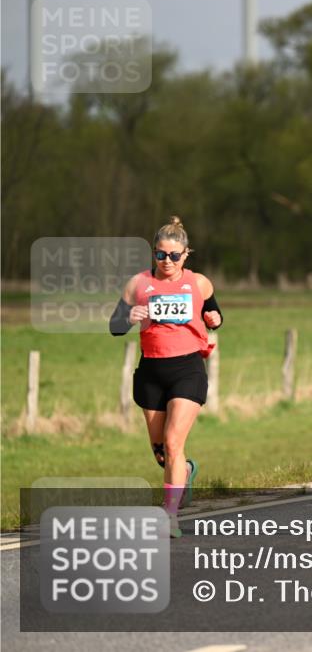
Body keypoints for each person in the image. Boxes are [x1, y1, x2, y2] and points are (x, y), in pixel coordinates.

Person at [110, 216, 223, 537]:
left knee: (174, 442)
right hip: (151, 372)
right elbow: (115, 327)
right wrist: (129, 317)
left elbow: (214, 314)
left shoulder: (199, 283)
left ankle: (169, 514)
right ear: (153, 253)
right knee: (162, 452)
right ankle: (184, 470)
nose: (167, 261)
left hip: (187, 369)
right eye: (161, 254)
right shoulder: (138, 284)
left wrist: (215, 318)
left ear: (186, 254)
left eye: (174, 255)